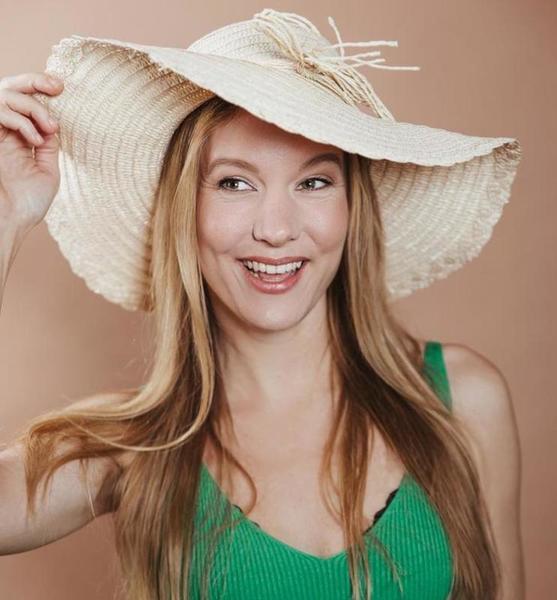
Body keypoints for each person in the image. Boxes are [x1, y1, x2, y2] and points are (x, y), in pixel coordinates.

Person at [0, 9, 524, 600]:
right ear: (185, 212)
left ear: (352, 210)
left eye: (314, 182)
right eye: (234, 183)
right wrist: (4, 214)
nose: (276, 230)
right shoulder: (133, 446)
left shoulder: (459, 399)